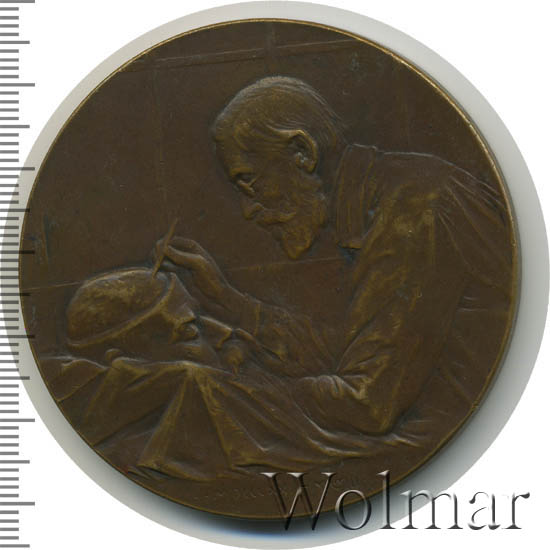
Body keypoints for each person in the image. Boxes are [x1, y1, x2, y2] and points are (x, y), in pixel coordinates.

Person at [156, 76, 516, 440]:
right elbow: (351, 354)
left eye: (249, 182)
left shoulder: (414, 208)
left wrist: (226, 388)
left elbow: (366, 403)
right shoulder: (382, 200)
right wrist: (226, 300)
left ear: (302, 153)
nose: (249, 210)